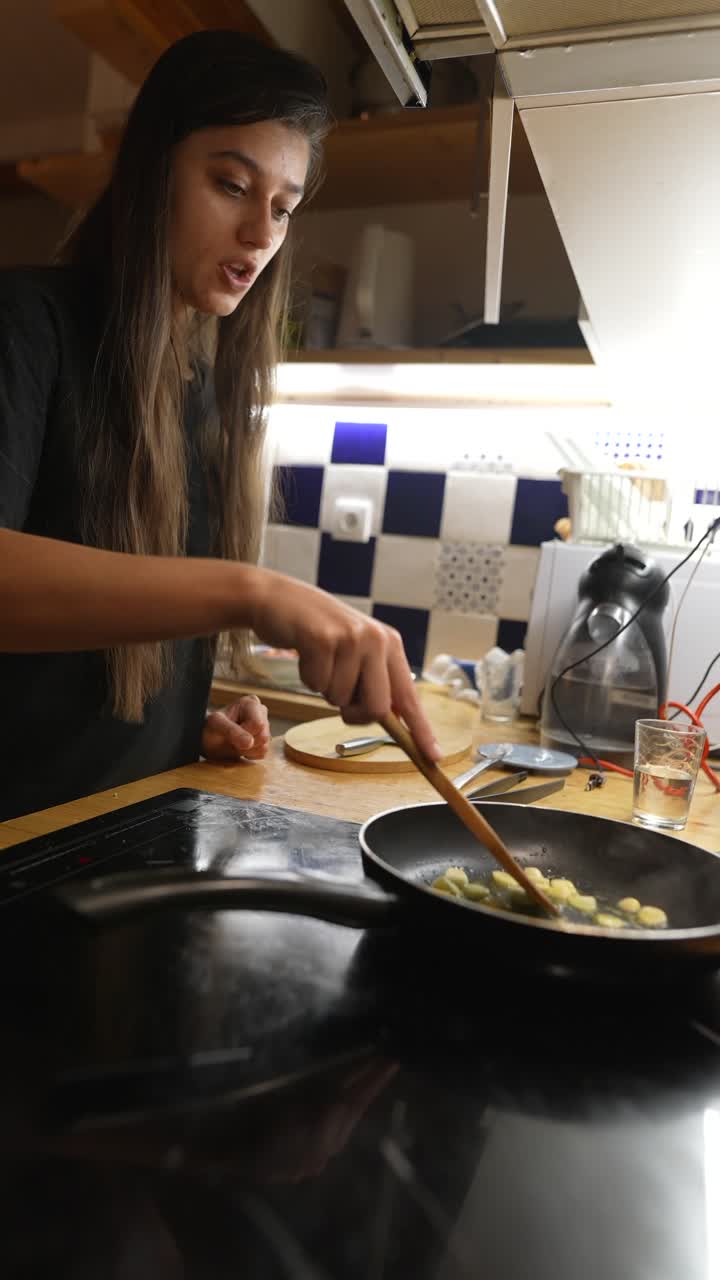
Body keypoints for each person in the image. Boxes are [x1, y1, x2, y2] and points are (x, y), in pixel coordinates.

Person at [0, 30, 439, 823]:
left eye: (282, 207)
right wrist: (252, 591)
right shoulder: (27, 324)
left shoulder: (198, 390)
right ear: (152, 173)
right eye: (232, 185)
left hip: (119, 845)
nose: (260, 233)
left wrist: (173, 730)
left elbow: (76, 670)